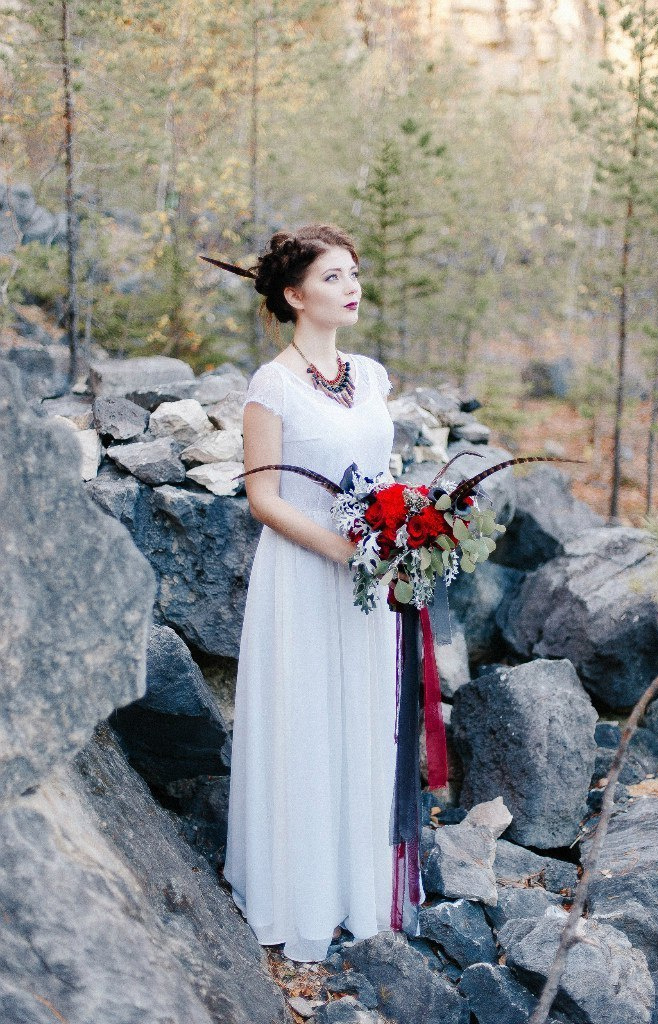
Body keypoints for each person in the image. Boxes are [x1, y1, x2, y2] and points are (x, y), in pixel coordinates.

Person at [220, 224, 410, 963]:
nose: (352, 285)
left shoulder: (371, 376)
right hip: (304, 574)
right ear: (296, 295)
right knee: (305, 717)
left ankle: (354, 885)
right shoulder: (271, 388)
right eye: (333, 277)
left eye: (354, 272)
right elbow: (263, 498)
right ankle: (294, 890)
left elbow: (381, 476)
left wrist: (404, 533)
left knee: (362, 715)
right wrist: (343, 551)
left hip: (368, 578)